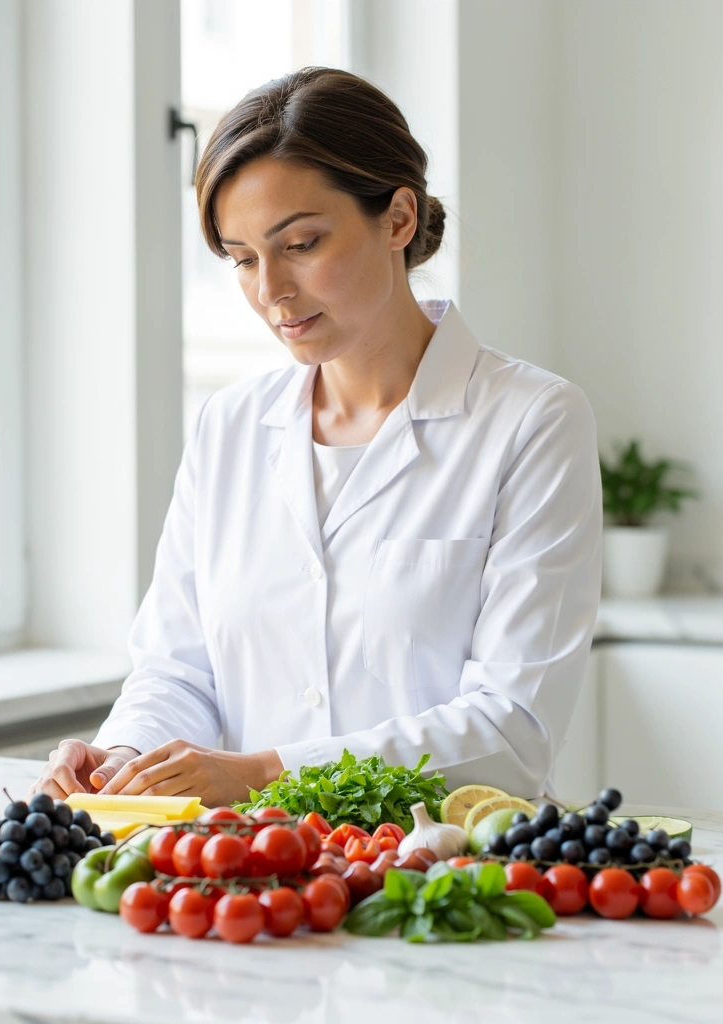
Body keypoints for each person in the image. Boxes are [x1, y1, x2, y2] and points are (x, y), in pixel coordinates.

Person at [31, 67, 602, 807]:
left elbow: (512, 730)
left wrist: (265, 772)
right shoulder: (230, 426)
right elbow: (177, 671)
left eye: (300, 244)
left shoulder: (532, 420)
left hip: (447, 864)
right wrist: (125, 758)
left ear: (398, 219)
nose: (270, 290)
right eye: (242, 259)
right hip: (253, 867)